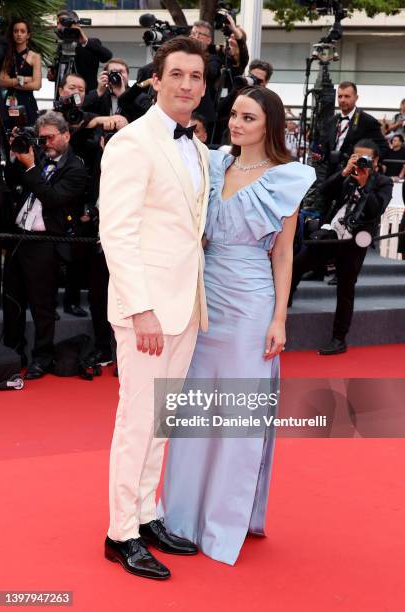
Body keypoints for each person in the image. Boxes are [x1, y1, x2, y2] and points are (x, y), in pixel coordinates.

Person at [160, 86, 316, 565]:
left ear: (268, 124)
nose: (236, 123)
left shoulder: (286, 178)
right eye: (233, 115)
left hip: (250, 304)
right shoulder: (212, 165)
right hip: (205, 300)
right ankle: (178, 516)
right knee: (192, 411)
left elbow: (284, 252)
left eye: (248, 117)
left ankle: (224, 520)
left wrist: (279, 318)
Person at [99, 36, 210, 580]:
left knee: (162, 422)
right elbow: (116, 232)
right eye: (178, 75)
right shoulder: (133, 143)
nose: (188, 84)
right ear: (157, 80)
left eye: (197, 76)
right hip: (147, 310)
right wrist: (140, 308)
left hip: (186, 305)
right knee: (137, 421)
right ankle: (120, 532)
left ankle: (146, 517)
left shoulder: (193, 144)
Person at [3, 111, 88, 378]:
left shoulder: (76, 168)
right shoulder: (36, 154)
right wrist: (16, 157)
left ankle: (43, 357)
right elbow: (13, 182)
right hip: (18, 237)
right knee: (12, 300)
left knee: (42, 304)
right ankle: (12, 352)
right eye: (41, 139)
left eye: (50, 138)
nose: (45, 144)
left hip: (46, 243)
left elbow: (51, 198)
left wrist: (30, 167)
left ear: (66, 135)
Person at [290, 139, 393, 355]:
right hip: (333, 231)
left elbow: (376, 210)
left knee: (346, 287)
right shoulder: (348, 174)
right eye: (356, 157)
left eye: (365, 158)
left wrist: (365, 186)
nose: (360, 162)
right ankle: (286, 300)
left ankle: (339, 339)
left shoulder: (383, 182)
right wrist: (344, 173)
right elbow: (324, 191)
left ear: (375, 160)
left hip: (356, 239)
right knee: (297, 263)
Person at [52, 10, 112, 93]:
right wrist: (53, 76)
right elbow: (62, 75)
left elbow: (107, 56)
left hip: (87, 98)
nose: (59, 27)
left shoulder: (91, 43)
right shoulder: (61, 46)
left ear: (75, 24)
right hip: (63, 99)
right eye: (57, 23)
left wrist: (85, 42)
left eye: (63, 22)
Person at [0, 20, 41, 126]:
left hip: (27, 102)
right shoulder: (7, 55)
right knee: (8, 135)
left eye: (22, 31)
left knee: (28, 134)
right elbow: (1, 81)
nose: (19, 34)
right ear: (12, 34)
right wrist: (26, 79)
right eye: (15, 31)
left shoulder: (35, 57)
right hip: (10, 100)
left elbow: (36, 85)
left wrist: (12, 82)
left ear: (28, 35)